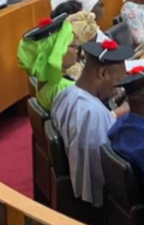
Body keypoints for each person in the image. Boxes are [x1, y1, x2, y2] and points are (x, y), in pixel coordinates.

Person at [51, 40, 133, 207]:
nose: (119, 89)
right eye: (118, 81)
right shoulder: (93, 114)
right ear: (102, 74)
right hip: (100, 205)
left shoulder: (65, 94)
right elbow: (100, 175)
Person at [18, 16, 77, 110]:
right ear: (56, 52)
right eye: (73, 46)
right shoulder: (64, 89)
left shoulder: (44, 80)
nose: (77, 51)